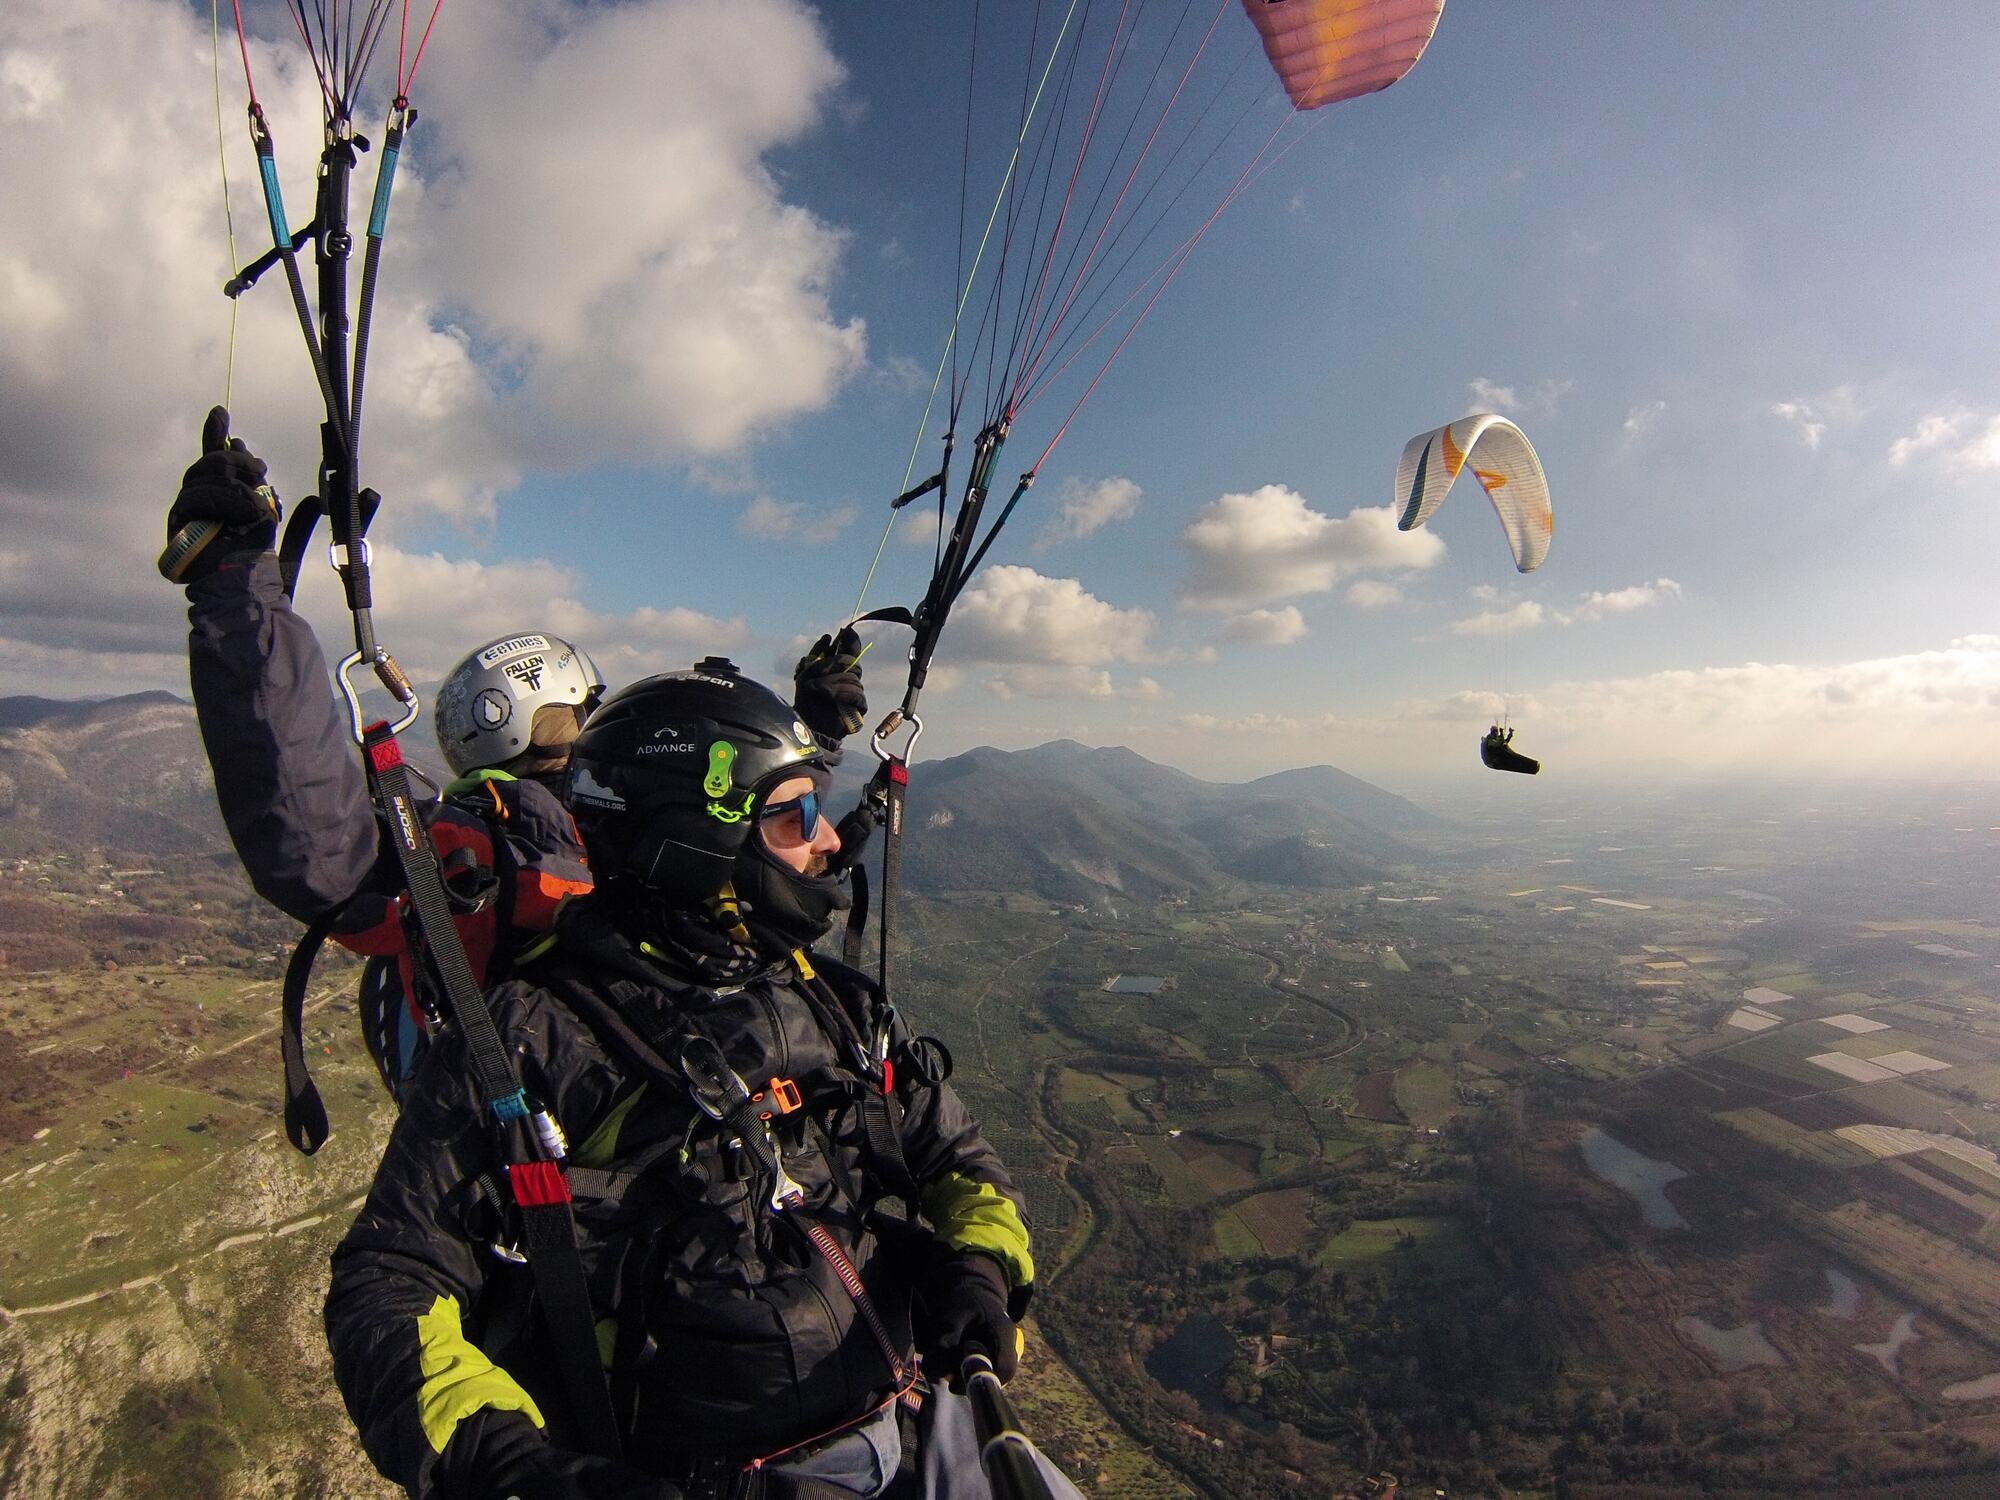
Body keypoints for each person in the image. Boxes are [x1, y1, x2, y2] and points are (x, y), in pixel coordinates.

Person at [323, 663, 1080, 1499]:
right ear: (697, 843)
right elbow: (389, 1285)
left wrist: (981, 1267)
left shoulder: (822, 1000)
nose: (829, 841)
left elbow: (957, 1155)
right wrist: (514, 1471)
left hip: (919, 1419)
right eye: (796, 815)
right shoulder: (531, 1042)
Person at [165, 408, 871, 1104]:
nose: (596, 728)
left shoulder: (586, 823)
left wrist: (810, 741)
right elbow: (318, 841)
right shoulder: (488, 849)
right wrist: (238, 592)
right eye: (579, 714)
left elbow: (721, 822)